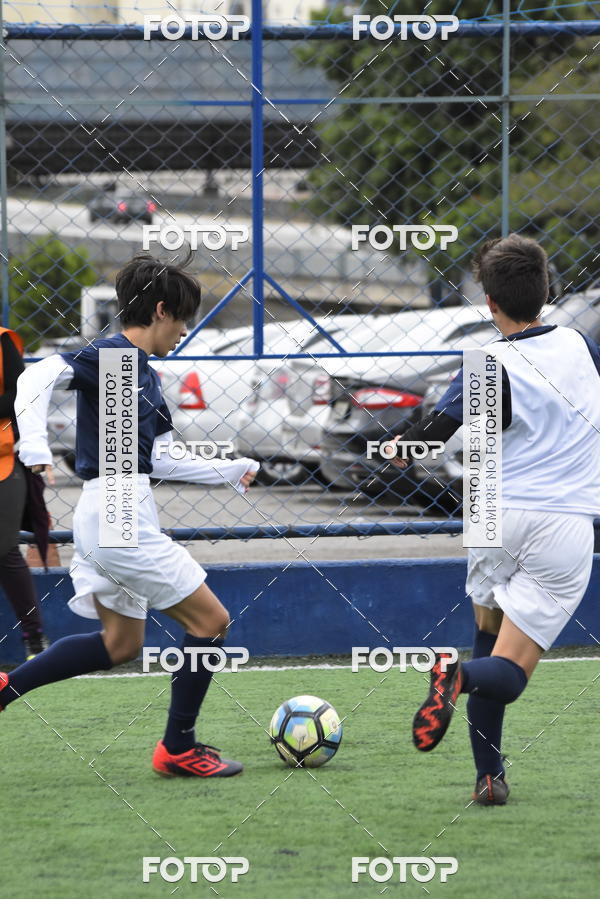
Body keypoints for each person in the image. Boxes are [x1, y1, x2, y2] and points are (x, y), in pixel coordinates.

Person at [0, 254, 259, 778]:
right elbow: (34, 380)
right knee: (211, 622)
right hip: (119, 513)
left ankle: (6, 688)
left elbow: (158, 456)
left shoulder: (141, 373)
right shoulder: (113, 354)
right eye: (182, 318)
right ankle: (178, 748)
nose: (185, 330)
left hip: (111, 511)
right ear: (160, 310)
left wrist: (228, 469)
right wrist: (34, 448)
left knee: (121, 644)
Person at [392, 233, 600, 804]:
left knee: (489, 637)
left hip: (492, 517)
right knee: (506, 670)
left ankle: (489, 776)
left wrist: (391, 446)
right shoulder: (580, 346)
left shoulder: (488, 363)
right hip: (562, 524)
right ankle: (454, 678)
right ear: (549, 290)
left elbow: (435, 435)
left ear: (489, 304)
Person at [0, 325, 50, 660]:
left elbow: (21, 397)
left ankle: (34, 639)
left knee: (3, 549)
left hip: (3, 462)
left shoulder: (1, 339)